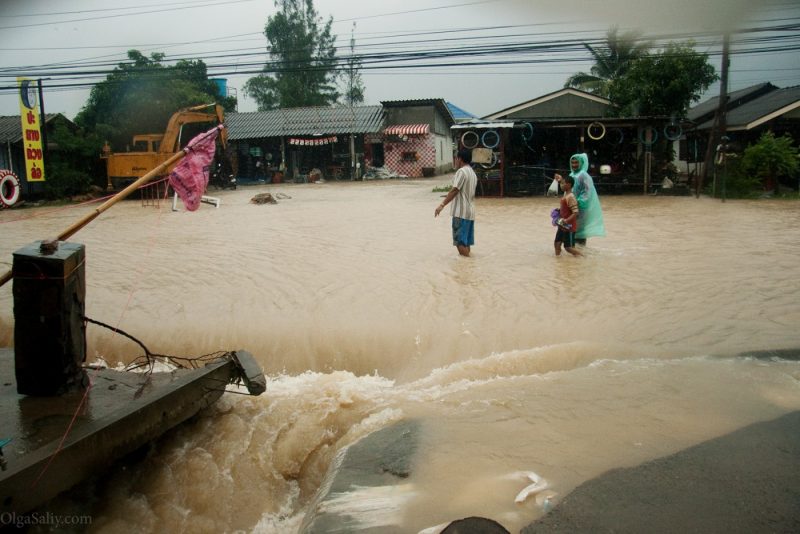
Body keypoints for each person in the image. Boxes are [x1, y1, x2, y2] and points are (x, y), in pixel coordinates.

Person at [435, 148, 478, 257]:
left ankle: (465, 269)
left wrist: (442, 205)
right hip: (470, 213)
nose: (455, 160)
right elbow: (461, 191)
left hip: (460, 213)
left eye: (456, 158)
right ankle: (468, 268)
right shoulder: (473, 173)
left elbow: (455, 190)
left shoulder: (461, 171)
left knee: (460, 243)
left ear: (460, 159)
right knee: (466, 242)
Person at [556, 153, 605, 245]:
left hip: (580, 210)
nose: (574, 165)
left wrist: (575, 204)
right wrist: (561, 180)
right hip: (572, 208)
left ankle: (580, 254)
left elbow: (587, 193)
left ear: (582, 163)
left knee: (578, 233)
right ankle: (577, 255)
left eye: (576, 163)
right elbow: (568, 189)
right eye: (572, 162)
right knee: (571, 233)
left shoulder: (584, 175)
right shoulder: (572, 174)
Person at [553, 175, 581, 256]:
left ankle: (583, 258)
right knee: (557, 244)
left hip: (569, 226)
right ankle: (558, 261)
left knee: (569, 248)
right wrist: (559, 210)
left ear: (568, 185)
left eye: (562, 183)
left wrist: (566, 220)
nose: (560, 185)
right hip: (562, 225)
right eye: (561, 183)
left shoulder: (571, 197)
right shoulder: (566, 194)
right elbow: (567, 209)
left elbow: (575, 212)